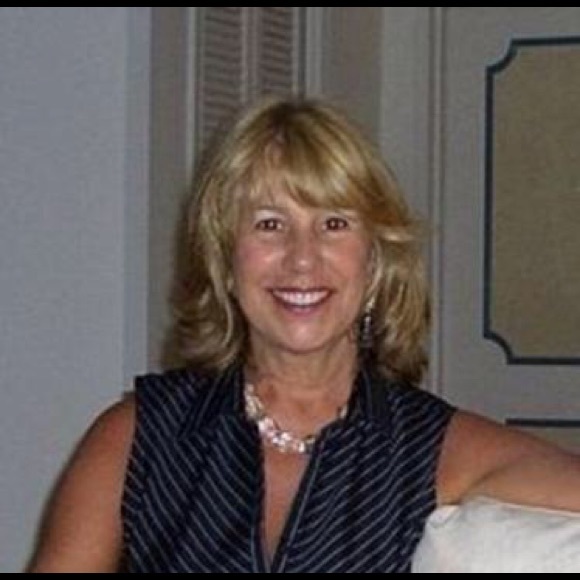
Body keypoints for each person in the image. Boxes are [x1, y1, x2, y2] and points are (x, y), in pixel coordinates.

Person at [26, 97, 580, 573]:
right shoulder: (136, 437)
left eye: (334, 224)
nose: (302, 258)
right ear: (225, 258)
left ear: (375, 260)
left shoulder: (430, 446)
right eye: (269, 224)